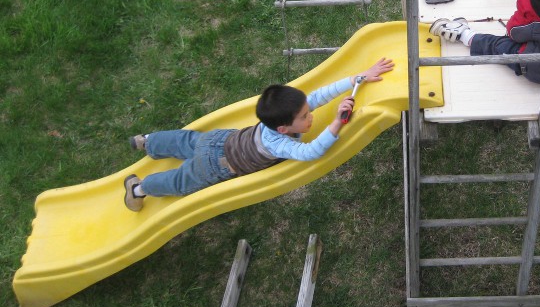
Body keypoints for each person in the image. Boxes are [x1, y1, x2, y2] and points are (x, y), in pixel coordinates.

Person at [123, 58, 395, 211]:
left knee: (187, 141)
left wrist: (358, 78)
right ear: (283, 129)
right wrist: (336, 123)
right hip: (217, 165)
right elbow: (309, 152)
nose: (310, 115)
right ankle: (139, 188)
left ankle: (147, 141)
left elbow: (318, 95)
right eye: (305, 117)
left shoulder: (282, 117)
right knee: (181, 181)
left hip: (221, 139)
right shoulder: (278, 144)